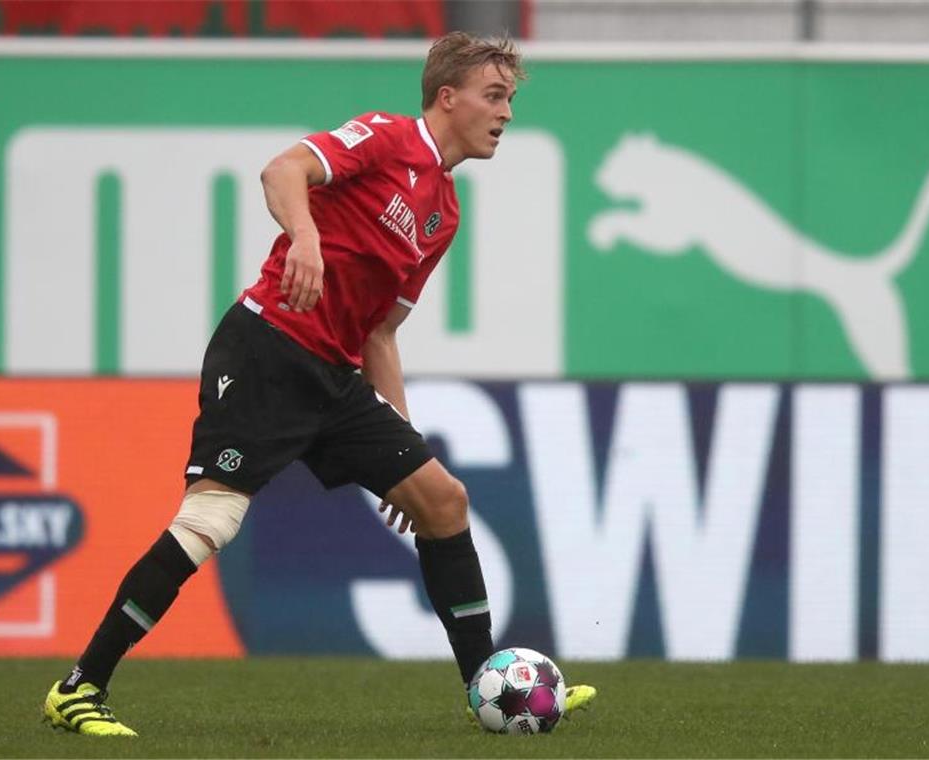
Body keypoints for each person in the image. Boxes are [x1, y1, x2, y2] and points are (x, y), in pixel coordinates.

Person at [42, 31, 596, 737]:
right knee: (211, 520)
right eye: (494, 96)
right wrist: (304, 237)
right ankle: (79, 688)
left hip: (334, 376)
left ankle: (487, 683)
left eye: (510, 100)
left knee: (441, 499)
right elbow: (282, 170)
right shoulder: (387, 137)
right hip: (267, 349)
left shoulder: (442, 214)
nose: (506, 113)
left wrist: (402, 435)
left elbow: (381, 333)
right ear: (447, 97)